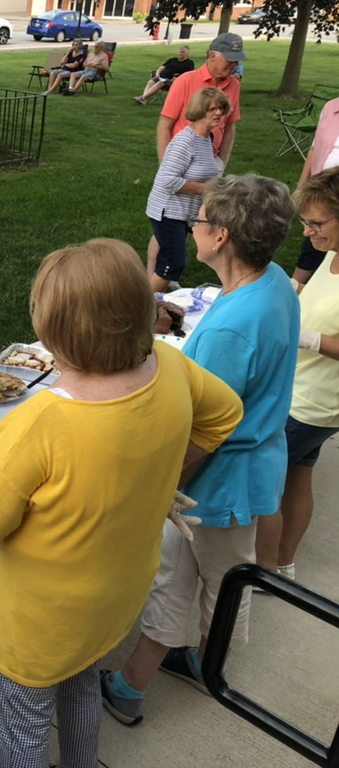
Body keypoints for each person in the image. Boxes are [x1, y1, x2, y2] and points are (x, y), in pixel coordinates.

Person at [0, 239, 242, 768]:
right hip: (113, 596)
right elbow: (225, 415)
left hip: (43, 620)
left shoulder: (40, 423)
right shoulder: (170, 364)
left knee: (25, 730)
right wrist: (158, 476)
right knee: (81, 686)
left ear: (52, 331)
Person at [103, 174, 300, 727]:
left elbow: (205, 428)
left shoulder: (233, 327)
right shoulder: (273, 280)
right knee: (180, 575)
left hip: (217, 480)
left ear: (223, 237)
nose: (192, 226)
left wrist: (162, 484)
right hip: (235, 470)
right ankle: (139, 681)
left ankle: (204, 670)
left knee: (222, 584)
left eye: (201, 219)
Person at [255, 167, 339, 580]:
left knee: (262, 482)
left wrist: (306, 338)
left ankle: (263, 570)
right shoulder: (332, 254)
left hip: (312, 402)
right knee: (297, 475)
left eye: (316, 223)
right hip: (300, 389)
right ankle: (283, 565)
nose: (307, 232)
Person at [146, 88, 229, 292]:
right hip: (168, 211)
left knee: (173, 258)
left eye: (220, 108)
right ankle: (143, 304)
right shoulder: (185, 141)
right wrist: (206, 189)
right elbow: (168, 180)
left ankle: (154, 296)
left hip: (186, 213)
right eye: (211, 109)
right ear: (199, 111)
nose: (218, 113)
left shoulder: (206, 138)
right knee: (172, 264)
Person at [158, 33, 245, 168]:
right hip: (181, 160)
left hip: (212, 162)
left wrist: (221, 163)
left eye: (237, 60)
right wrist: (166, 166)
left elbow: (229, 128)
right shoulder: (185, 81)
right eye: (230, 59)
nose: (235, 64)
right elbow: (164, 125)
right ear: (212, 56)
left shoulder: (234, 85)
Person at [292, 95, 339, 287]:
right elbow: (314, 149)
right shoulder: (331, 108)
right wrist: (302, 187)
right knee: (316, 234)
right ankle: (297, 284)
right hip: (322, 189)